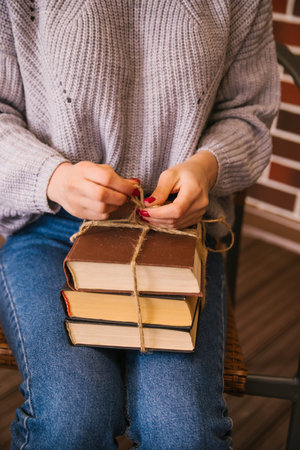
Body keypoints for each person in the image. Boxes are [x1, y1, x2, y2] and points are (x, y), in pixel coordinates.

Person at [0, 0, 280, 448]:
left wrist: (207, 168)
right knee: (71, 419)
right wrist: (55, 177)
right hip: (51, 225)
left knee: (185, 432)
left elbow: (248, 114)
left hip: (179, 234)